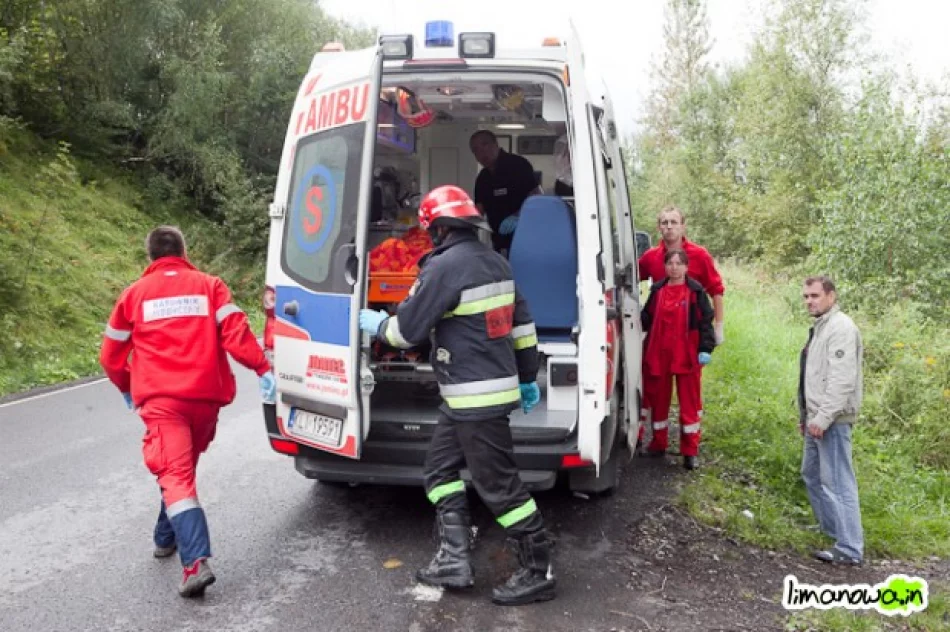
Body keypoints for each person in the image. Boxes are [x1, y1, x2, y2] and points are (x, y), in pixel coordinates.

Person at [359, 185, 556, 606]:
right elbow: (523, 326)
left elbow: (406, 332)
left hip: (473, 400)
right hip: (476, 397)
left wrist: (377, 326)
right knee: (438, 472)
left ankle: (539, 571)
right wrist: (526, 377)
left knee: (499, 488)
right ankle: (454, 559)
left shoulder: (443, 268)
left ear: (436, 229)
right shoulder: (497, 263)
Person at [99, 226, 276, 598]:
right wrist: (263, 368)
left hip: (163, 401)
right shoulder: (210, 286)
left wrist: (127, 387)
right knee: (179, 470)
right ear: (183, 249)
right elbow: (236, 333)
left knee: (176, 475)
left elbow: (111, 355)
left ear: (150, 256)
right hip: (205, 400)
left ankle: (195, 563)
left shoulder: (133, 295)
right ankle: (165, 537)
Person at [637, 205, 725, 451]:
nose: (669, 227)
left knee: (689, 395)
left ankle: (690, 448)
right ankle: (656, 441)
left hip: (689, 341)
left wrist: (718, 326)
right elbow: (629, 277)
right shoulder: (651, 257)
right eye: (664, 223)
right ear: (659, 227)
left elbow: (716, 290)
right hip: (660, 341)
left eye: (673, 222)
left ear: (682, 225)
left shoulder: (699, 255)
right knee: (655, 392)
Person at [799, 275, 864, 565]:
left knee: (838, 482)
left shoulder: (841, 328)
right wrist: (807, 415)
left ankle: (850, 548)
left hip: (833, 420)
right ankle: (832, 528)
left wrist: (823, 418)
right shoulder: (821, 327)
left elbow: (842, 380)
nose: (810, 301)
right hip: (816, 416)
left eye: (815, 296)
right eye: (806, 296)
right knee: (811, 474)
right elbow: (811, 375)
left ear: (831, 297)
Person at [640, 249, 715, 470]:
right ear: (665, 267)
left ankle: (690, 452)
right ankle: (658, 443)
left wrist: (705, 347)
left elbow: (705, 321)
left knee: (689, 404)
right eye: (670, 263)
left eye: (678, 263)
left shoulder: (696, 291)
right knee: (658, 400)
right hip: (659, 353)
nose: (674, 267)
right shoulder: (658, 290)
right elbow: (647, 317)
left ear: (686, 267)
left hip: (686, 354)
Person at [470, 130, 542, 253]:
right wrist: (467, 228)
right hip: (499, 239)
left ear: (495, 144)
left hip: (525, 235)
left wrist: (517, 216)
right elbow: (479, 209)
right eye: (476, 150)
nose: (482, 153)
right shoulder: (482, 178)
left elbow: (536, 196)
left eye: (485, 145)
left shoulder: (518, 165)